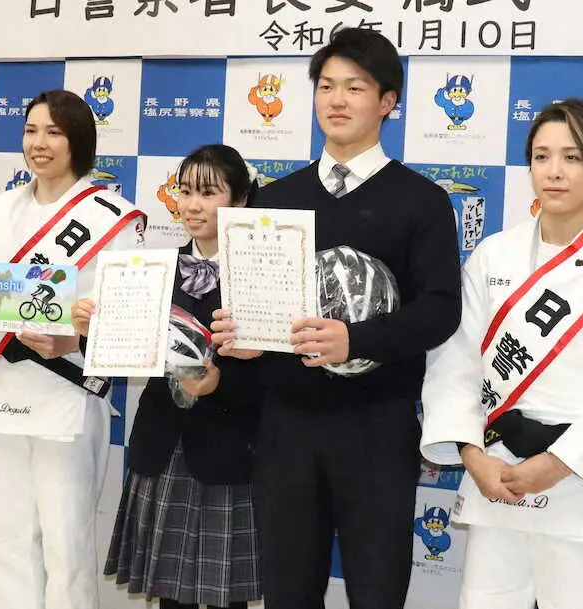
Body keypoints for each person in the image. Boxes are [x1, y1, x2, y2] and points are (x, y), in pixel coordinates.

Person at [211, 26, 462, 608]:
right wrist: (248, 340)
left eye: (355, 87)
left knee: (377, 590)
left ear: (388, 101)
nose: (337, 100)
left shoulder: (421, 200)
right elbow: (256, 310)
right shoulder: (275, 200)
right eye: (326, 86)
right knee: (288, 592)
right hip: (287, 428)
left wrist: (356, 339)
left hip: (378, 427)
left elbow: (440, 310)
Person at [420, 99, 583, 609]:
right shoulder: (494, 255)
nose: (554, 171)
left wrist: (558, 464)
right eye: (541, 156)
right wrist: (471, 454)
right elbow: (456, 360)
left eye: (572, 157)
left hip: (582, 485)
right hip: (498, 476)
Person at [0, 90, 146, 609]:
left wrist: (74, 339)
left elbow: (132, 322)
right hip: (2, 389)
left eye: (54, 131)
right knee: (0, 536)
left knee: (66, 541)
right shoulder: (1, 208)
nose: (39, 143)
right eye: (32, 130)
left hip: (69, 393)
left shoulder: (114, 217)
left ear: (79, 140)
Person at [73, 144, 263, 609]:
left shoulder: (263, 273)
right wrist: (88, 333)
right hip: (161, 445)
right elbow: (120, 353)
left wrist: (220, 385)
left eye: (208, 193)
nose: (192, 205)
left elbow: (279, 374)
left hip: (231, 452)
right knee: (170, 597)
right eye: (185, 191)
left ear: (240, 201)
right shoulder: (151, 268)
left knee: (228, 598)